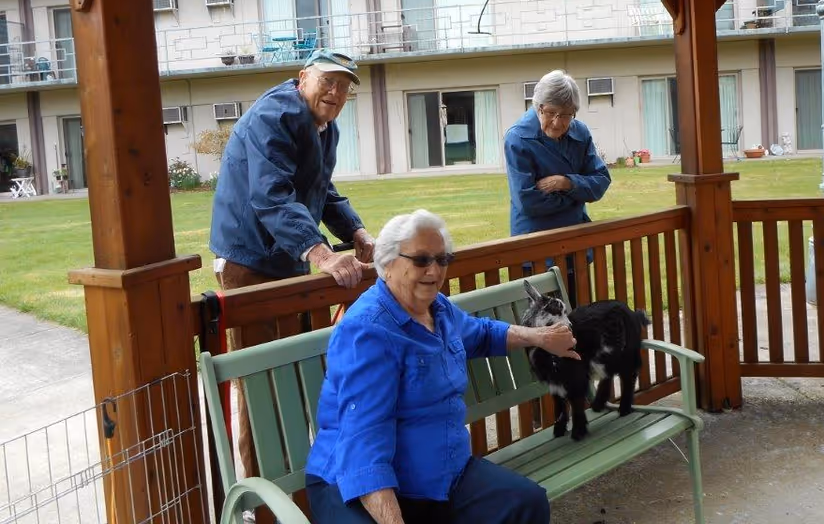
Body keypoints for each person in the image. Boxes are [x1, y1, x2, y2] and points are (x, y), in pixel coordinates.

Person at [305, 209, 579, 524]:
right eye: (421, 260)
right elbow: (365, 445)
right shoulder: (368, 332)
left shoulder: (438, 309)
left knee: (526, 504)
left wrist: (542, 337)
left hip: (438, 471)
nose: (434, 271)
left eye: (443, 259)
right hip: (356, 482)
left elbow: (481, 333)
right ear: (388, 263)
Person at [210, 48, 376, 480]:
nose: (336, 93)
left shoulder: (324, 127)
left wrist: (356, 231)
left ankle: (307, 479)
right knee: (259, 381)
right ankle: (260, 493)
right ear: (303, 78)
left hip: (287, 260)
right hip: (250, 262)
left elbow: (322, 188)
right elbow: (272, 195)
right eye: (329, 81)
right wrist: (320, 252)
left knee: (299, 369)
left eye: (344, 86)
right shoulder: (277, 115)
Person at [503, 70, 611, 307]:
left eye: (565, 115)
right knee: (544, 323)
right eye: (550, 112)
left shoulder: (580, 132)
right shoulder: (518, 138)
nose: (557, 122)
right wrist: (577, 197)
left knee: (580, 315)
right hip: (536, 248)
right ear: (537, 106)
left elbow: (601, 180)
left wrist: (567, 183)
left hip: (575, 246)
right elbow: (527, 202)